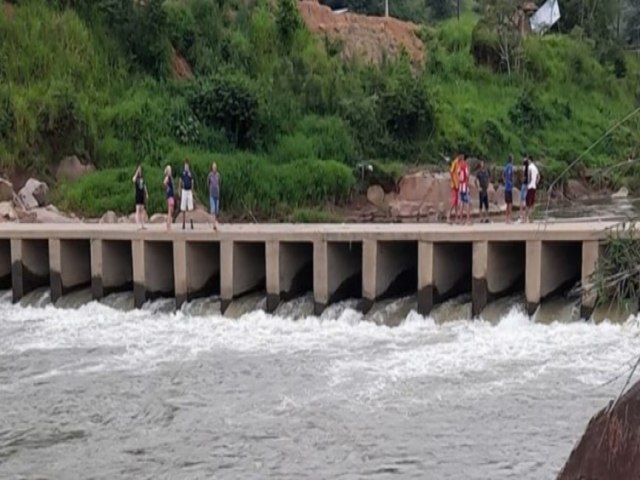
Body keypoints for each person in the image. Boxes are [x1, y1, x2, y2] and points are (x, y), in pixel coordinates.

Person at [132, 164, 148, 230]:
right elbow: (133, 180)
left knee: (142, 209)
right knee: (138, 209)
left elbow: (144, 186)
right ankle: (138, 224)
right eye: (139, 170)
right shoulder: (136, 178)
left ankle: (142, 224)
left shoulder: (142, 178)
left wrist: (146, 193)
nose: (140, 171)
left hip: (142, 194)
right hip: (138, 194)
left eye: (140, 170)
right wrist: (136, 172)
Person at [180, 159, 195, 230]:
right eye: (185, 165)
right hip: (184, 190)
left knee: (190, 207)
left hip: (189, 191)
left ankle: (191, 222)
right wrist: (179, 189)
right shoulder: (182, 173)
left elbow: (192, 181)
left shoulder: (190, 173)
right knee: (183, 207)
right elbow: (180, 181)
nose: (186, 166)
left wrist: (192, 190)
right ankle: (183, 223)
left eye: (187, 165)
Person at [447, 154, 461, 224]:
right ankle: (448, 216)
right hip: (454, 185)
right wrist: (454, 182)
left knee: (456, 202)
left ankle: (456, 218)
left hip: (458, 185)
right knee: (453, 201)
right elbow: (451, 172)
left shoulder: (460, 163)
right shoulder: (455, 162)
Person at [525, 157, 540, 223]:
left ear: (530, 160)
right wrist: (536, 182)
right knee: (532, 203)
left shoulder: (530, 167)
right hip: (534, 186)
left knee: (527, 203)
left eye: (528, 160)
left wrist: (528, 183)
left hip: (530, 186)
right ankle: (531, 218)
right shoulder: (535, 168)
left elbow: (529, 176)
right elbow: (538, 176)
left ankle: (526, 217)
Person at [207, 161, 221, 231]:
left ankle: (215, 222)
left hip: (217, 195)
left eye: (215, 167)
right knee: (213, 210)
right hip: (212, 194)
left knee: (216, 210)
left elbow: (219, 183)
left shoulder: (218, 175)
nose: (214, 168)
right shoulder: (210, 175)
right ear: (212, 168)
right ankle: (214, 225)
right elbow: (208, 183)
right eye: (213, 167)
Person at [475, 159, 490, 223]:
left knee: (486, 204)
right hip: (481, 189)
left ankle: (486, 217)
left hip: (485, 189)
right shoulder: (479, 172)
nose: (482, 165)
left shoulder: (486, 172)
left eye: (483, 163)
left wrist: (488, 184)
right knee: (481, 203)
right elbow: (475, 180)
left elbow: (488, 178)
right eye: (481, 163)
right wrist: (478, 187)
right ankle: (481, 218)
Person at [458, 154, 471, 224]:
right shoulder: (465, 165)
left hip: (460, 186)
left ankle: (461, 220)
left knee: (461, 203)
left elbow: (458, 174)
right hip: (465, 187)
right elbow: (467, 175)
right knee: (467, 203)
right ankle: (468, 220)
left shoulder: (459, 166)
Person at [163, 165, 175, 231]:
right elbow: (164, 182)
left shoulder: (170, 177)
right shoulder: (167, 177)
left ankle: (168, 223)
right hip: (169, 195)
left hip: (171, 194)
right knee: (170, 210)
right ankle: (168, 225)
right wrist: (167, 187)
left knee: (171, 210)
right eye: (170, 170)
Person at [503, 154, 514, 224]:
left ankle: (506, 218)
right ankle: (509, 218)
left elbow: (503, 175)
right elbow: (510, 175)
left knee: (507, 203)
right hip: (509, 187)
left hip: (506, 186)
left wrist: (505, 181)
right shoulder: (510, 166)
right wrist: (511, 182)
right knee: (510, 203)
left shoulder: (506, 166)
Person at [519, 156, 529, 223]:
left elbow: (523, 177)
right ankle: (525, 216)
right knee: (525, 200)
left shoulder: (525, 168)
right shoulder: (529, 168)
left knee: (522, 200)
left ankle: (522, 215)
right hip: (527, 185)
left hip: (524, 185)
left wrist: (523, 179)